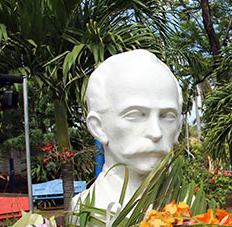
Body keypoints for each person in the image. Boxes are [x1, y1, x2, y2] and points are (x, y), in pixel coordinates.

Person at [73, 49, 183, 211]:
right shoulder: (85, 209)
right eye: (135, 115)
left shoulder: (190, 204)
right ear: (98, 127)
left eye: (167, 116)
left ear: (179, 127)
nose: (156, 133)